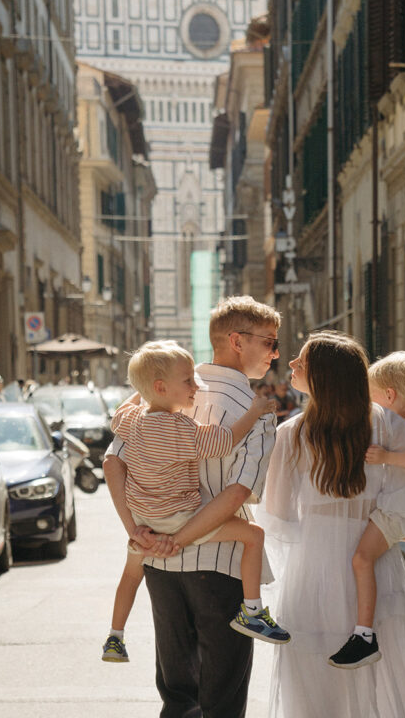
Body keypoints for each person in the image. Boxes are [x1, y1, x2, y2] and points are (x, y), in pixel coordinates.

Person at [103, 296, 281, 717]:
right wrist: (178, 538)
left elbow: (113, 462)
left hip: (158, 565)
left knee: (179, 695)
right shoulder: (256, 412)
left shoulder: (156, 390)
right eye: (270, 342)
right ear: (236, 341)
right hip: (218, 567)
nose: (276, 353)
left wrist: (140, 533)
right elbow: (237, 494)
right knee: (222, 697)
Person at [260, 331, 405, 717]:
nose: (291, 365)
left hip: (313, 563)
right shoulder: (388, 425)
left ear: (324, 376)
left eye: (301, 361)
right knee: (384, 671)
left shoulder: (290, 435)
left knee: (314, 680)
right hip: (374, 556)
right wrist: (392, 527)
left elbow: (277, 515)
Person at [330, 351, 405, 668]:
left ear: (390, 395)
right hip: (400, 509)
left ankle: (364, 635)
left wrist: (386, 458)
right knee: (363, 557)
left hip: (398, 510)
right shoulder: (402, 424)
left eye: (372, 397)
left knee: (361, 558)